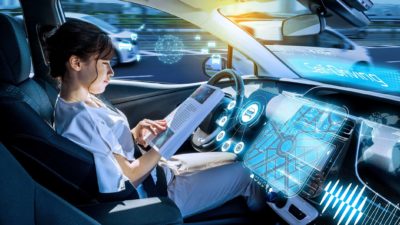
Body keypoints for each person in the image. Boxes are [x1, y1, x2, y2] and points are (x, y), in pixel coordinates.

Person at [46, 20, 265, 218]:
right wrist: (168, 141)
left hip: (160, 171)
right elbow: (129, 178)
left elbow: (106, 149)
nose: (112, 71)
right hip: (154, 194)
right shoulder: (82, 119)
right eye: (105, 63)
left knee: (232, 158)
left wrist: (135, 132)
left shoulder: (78, 102)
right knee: (247, 174)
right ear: (76, 63)